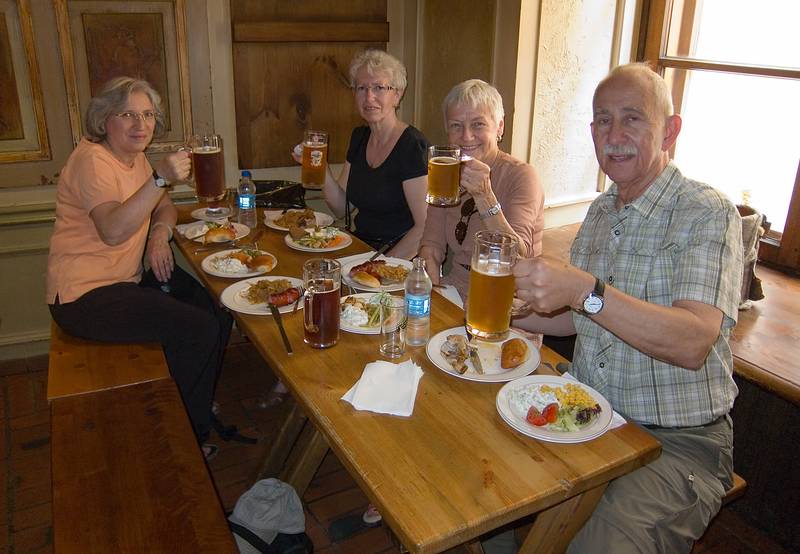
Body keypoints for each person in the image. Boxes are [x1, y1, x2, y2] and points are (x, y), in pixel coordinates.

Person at [511, 63, 743, 553]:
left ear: (670, 131)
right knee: (485, 499)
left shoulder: (705, 211)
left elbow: (693, 342)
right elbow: (581, 315)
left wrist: (582, 289)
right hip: (586, 413)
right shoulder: (600, 210)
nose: (613, 135)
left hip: (679, 443)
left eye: (632, 119)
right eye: (601, 120)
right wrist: (506, 311)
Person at [46, 77, 233, 461]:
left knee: (217, 307)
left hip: (125, 282)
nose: (140, 124)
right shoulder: (92, 160)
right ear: (103, 119)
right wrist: (161, 177)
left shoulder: (132, 157)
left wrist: (158, 236)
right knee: (198, 328)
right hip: (85, 296)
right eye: (128, 114)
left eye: (147, 115)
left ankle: (191, 400)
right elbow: (113, 230)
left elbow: (162, 206)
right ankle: (185, 436)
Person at [292, 49, 429, 259]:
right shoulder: (360, 137)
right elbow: (340, 207)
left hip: (400, 258)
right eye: (361, 88)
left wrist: (381, 266)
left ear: (397, 94)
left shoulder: (412, 146)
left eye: (378, 87)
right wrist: (320, 167)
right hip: (360, 250)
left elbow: (424, 227)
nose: (369, 97)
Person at [419, 79, 544, 301]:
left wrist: (484, 195)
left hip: (507, 298)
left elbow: (518, 257)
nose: (466, 137)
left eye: (478, 124)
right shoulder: (445, 173)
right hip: (455, 289)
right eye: (456, 125)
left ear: (500, 127)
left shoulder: (521, 175)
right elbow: (432, 245)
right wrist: (432, 290)